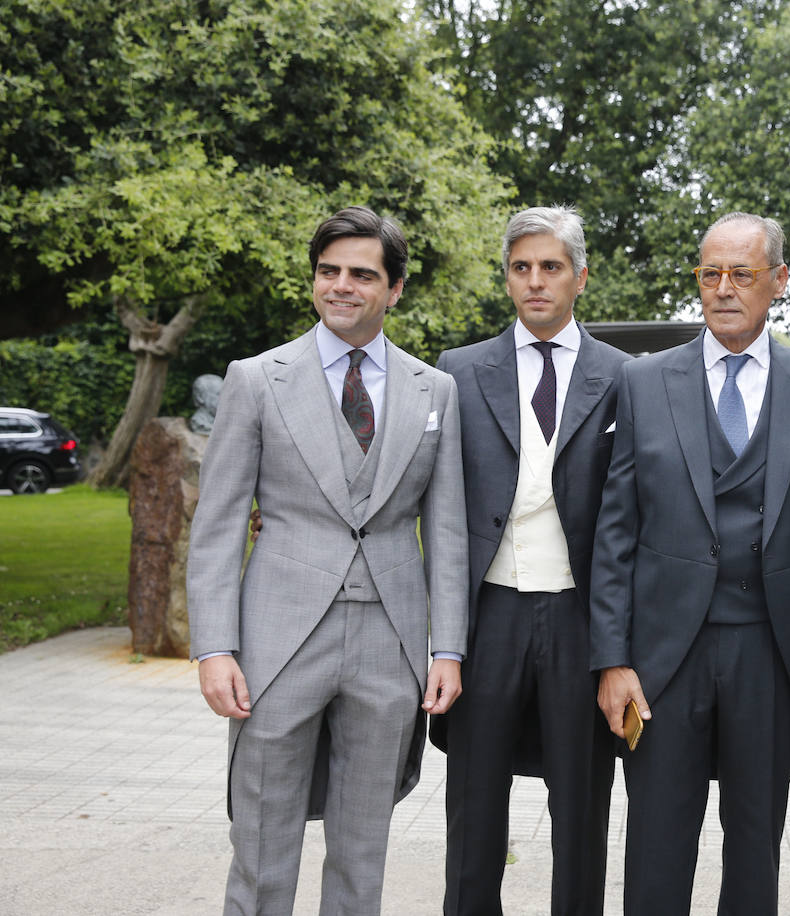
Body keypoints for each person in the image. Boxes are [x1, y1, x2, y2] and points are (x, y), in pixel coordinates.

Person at [188, 206, 467, 915]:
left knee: (361, 847)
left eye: (361, 274)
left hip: (390, 640)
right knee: (260, 838)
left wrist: (449, 649)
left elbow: (449, 531)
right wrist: (214, 647)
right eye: (328, 271)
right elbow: (217, 524)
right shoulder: (256, 380)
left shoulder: (435, 390)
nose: (340, 286)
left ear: (395, 289)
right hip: (276, 641)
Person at [589, 211, 790, 915]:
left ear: (780, 282)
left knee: (755, 849)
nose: (724, 288)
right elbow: (616, 529)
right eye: (710, 273)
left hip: (771, 654)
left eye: (743, 273)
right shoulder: (644, 382)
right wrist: (612, 658)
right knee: (655, 849)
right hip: (662, 660)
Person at [429, 206, 629, 916]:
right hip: (491, 614)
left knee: (582, 808)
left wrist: (619, 647)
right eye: (521, 268)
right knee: (474, 808)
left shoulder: (625, 376)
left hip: (581, 618)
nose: (535, 282)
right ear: (507, 278)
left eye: (550, 267)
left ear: (580, 276)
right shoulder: (459, 371)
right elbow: (441, 508)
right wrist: (443, 642)